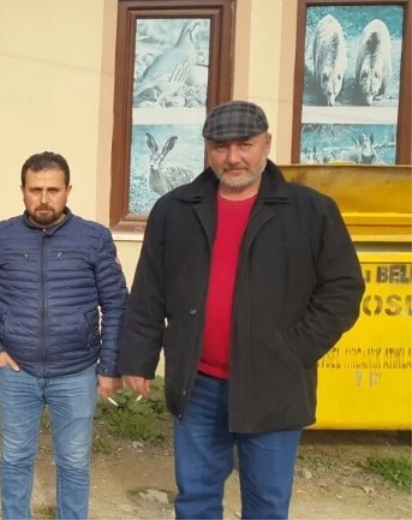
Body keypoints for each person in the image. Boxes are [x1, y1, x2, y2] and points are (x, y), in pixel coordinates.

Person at [120, 101, 364, 519]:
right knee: (195, 499)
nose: (233, 158)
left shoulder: (310, 211)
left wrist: (294, 351)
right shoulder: (175, 210)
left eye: (245, 145)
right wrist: (138, 360)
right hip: (197, 384)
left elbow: (343, 289)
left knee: (267, 504)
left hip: (274, 384)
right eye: (220, 146)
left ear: (266, 143)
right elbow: (148, 291)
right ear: (207, 149)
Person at [0, 151, 128, 520]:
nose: (44, 199)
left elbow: (117, 303)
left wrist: (109, 365)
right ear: (22, 191)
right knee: (15, 457)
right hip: (17, 371)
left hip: (76, 372)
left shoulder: (94, 238)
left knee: (73, 462)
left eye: (53, 190)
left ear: (68, 190)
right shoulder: (1, 236)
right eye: (35, 189)